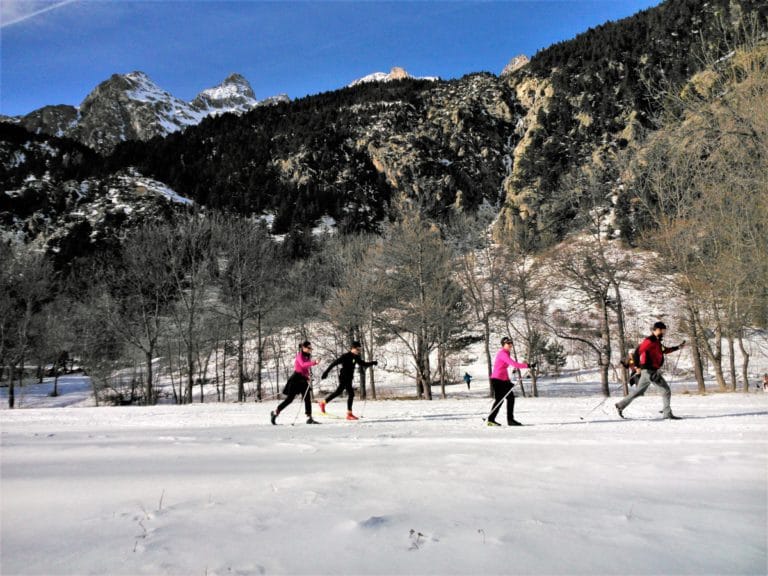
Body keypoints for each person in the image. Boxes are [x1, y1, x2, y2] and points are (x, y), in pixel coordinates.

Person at [615, 322, 686, 420]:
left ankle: (620, 405)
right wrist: (637, 367)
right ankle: (667, 414)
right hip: (649, 371)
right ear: (657, 330)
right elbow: (637, 352)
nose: (664, 332)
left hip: (648, 371)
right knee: (666, 391)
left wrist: (678, 347)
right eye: (663, 330)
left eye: (664, 330)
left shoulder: (657, 341)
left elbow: (664, 350)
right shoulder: (650, 340)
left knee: (639, 391)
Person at [318, 341, 377, 420]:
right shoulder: (345, 356)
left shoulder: (356, 357)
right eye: (358, 349)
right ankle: (349, 414)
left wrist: (372, 363)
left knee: (338, 392)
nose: (359, 351)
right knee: (351, 394)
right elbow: (334, 363)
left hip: (349, 378)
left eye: (360, 349)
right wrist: (326, 372)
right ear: (353, 348)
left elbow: (363, 364)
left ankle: (323, 403)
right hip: (344, 377)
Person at [271, 341, 320, 425]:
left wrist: (308, 376)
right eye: (308, 348)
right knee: (290, 399)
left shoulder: (307, 356)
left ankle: (309, 417)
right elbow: (303, 364)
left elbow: (305, 369)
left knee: (307, 398)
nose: (310, 350)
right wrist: (314, 362)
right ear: (303, 348)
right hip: (295, 379)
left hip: (303, 379)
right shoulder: (299, 356)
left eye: (310, 348)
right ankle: (276, 412)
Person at [487, 337, 533, 427]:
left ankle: (509, 420)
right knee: (500, 400)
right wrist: (527, 365)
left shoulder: (506, 352)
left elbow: (503, 369)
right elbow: (514, 364)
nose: (510, 345)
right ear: (503, 345)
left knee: (510, 398)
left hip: (503, 379)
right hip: (497, 379)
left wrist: (508, 382)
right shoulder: (503, 353)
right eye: (508, 343)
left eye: (511, 343)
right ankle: (491, 420)